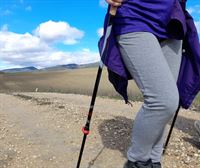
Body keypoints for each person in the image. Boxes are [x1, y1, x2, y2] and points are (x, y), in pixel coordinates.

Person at [104, 0, 185, 168]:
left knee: (168, 104)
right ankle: (137, 161)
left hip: (172, 19)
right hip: (135, 16)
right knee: (163, 101)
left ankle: (154, 161)